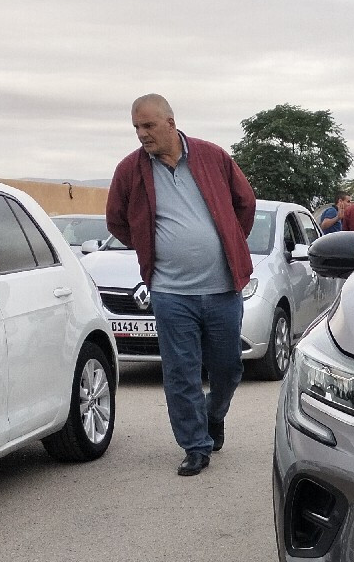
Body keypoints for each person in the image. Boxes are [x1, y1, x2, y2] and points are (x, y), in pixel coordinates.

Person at [105, 94, 257, 477]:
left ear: (171, 123)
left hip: (222, 287)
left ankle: (214, 413)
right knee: (180, 370)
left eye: (149, 126)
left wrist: (230, 241)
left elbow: (245, 202)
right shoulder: (130, 170)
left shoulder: (212, 157)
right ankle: (195, 445)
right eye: (137, 128)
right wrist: (150, 247)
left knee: (228, 367)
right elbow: (116, 221)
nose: (142, 134)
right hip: (170, 292)